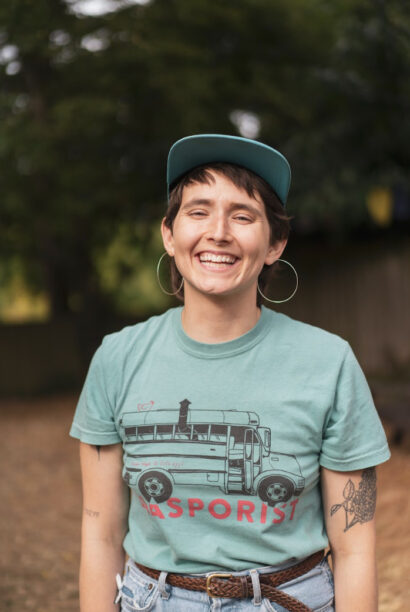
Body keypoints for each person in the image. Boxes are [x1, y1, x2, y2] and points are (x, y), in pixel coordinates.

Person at [70, 134, 390, 612]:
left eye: (243, 215)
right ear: (168, 234)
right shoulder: (117, 359)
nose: (218, 232)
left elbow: (355, 547)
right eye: (198, 211)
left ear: (275, 243)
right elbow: (101, 532)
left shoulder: (329, 363)